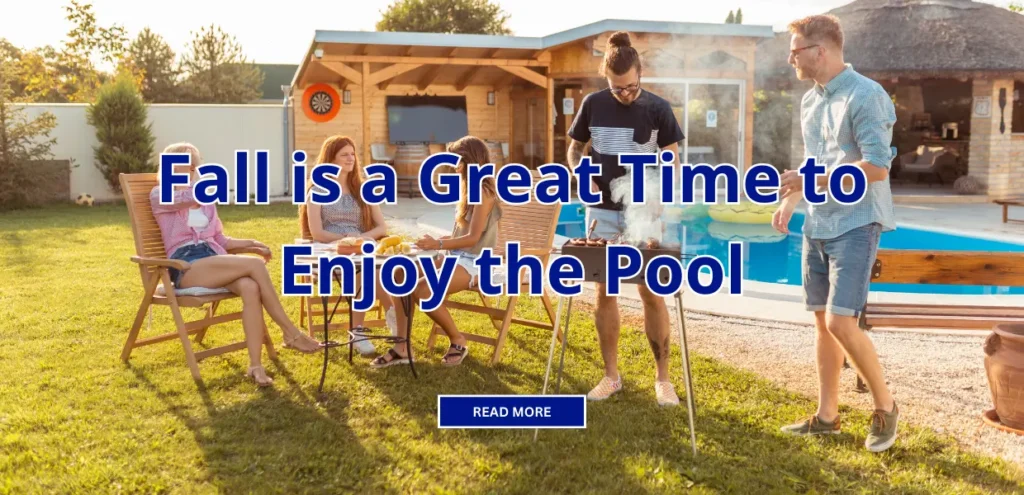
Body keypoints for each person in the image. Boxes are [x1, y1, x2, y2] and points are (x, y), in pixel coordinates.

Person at [773, 14, 899, 453]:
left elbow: (878, 167)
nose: (791, 57)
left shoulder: (867, 96)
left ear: (819, 50)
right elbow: (814, 159)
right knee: (822, 325)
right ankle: (827, 416)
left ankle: (885, 406)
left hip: (856, 222)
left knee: (840, 320)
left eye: (796, 49)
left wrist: (812, 183)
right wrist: (793, 199)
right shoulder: (811, 101)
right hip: (819, 222)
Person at [566, 32, 685, 406]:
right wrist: (578, 171)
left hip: (644, 210)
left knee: (651, 290)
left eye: (631, 86)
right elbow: (574, 149)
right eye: (618, 89)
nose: (625, 93)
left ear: (640, 73)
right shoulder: (592, 105)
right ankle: (611, 376)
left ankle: (663, 380)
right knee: (606, 290)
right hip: (601, 210)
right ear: (606, 78)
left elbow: (672, 161)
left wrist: (659, 198)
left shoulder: (659, 108)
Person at [150, 142, 322, 387]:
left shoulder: (205, 199)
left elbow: (219, 239)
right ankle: (290, 333)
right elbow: (188, 196)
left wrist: (251, 243)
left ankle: (255, 366)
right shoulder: (159, 195)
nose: (186, 171)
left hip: (213, 259)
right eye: (179, 167)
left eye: (190, 166)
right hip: (185, 265)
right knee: (255, 266)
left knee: (250, 287)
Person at [369, 136, 502, 369]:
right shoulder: (467, 187)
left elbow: (473, 239)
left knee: (424, 290)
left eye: (456, 160)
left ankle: (458, 340)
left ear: (468, 161)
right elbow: (463, 235)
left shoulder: (482, 192)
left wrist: (439, 246)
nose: (453, 164)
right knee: (399, 273)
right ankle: (402, 347)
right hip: (457, 257)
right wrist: (437, 241)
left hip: (477, 264)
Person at [299, 135, 396, 355]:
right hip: (329, 251)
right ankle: (362, 330)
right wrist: (346, 239)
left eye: (352, 154)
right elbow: (317, 232)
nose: (350, 158)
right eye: (344, 154)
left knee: (376, 267)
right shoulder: (317, 190)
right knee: (365, 269)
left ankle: (387, 316)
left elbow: (382, 228)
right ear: (330, 159)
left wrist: (362, 239)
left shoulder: (363, 189)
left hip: (361, 250)